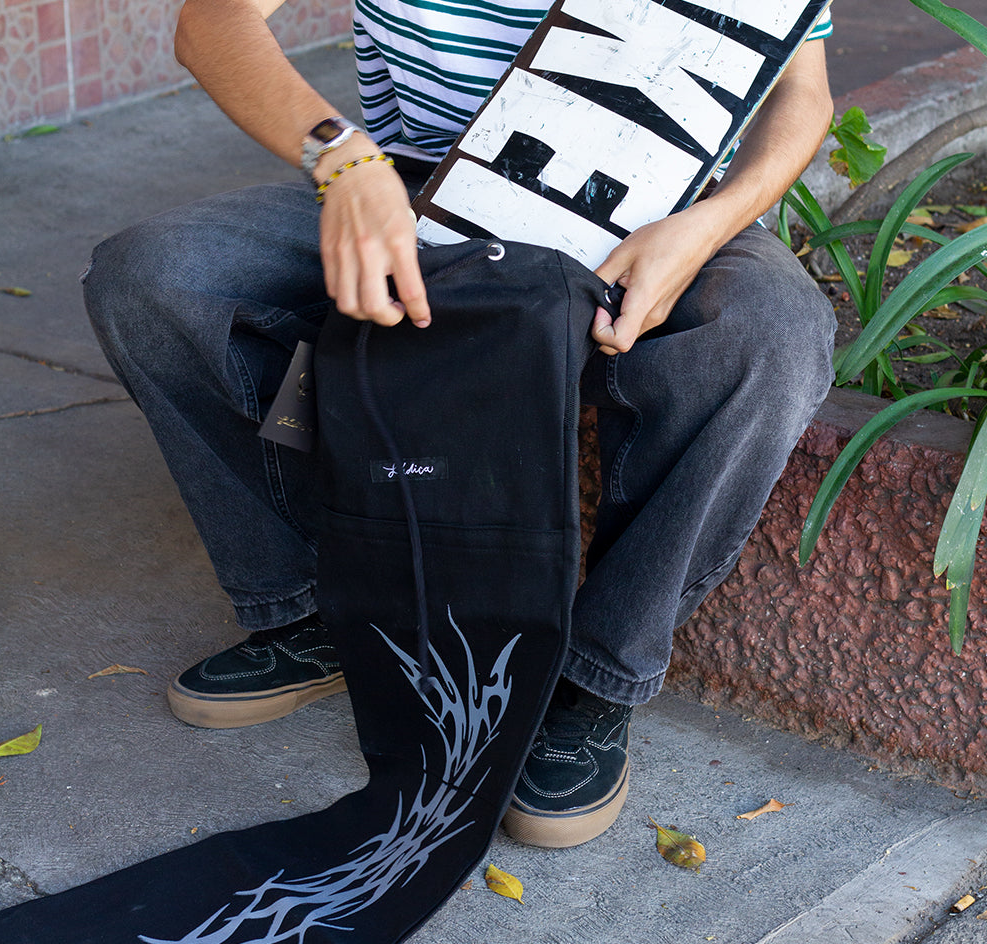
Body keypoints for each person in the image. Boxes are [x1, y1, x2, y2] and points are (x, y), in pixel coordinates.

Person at [83, 0, 836, 850]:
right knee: (153, 279)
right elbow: (212, 23)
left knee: (773, 335)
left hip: (662, 217)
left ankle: (594, 677)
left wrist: (706, 227)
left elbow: (801, 93)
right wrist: (340, 157)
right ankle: (318, 606)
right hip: (419, 197)